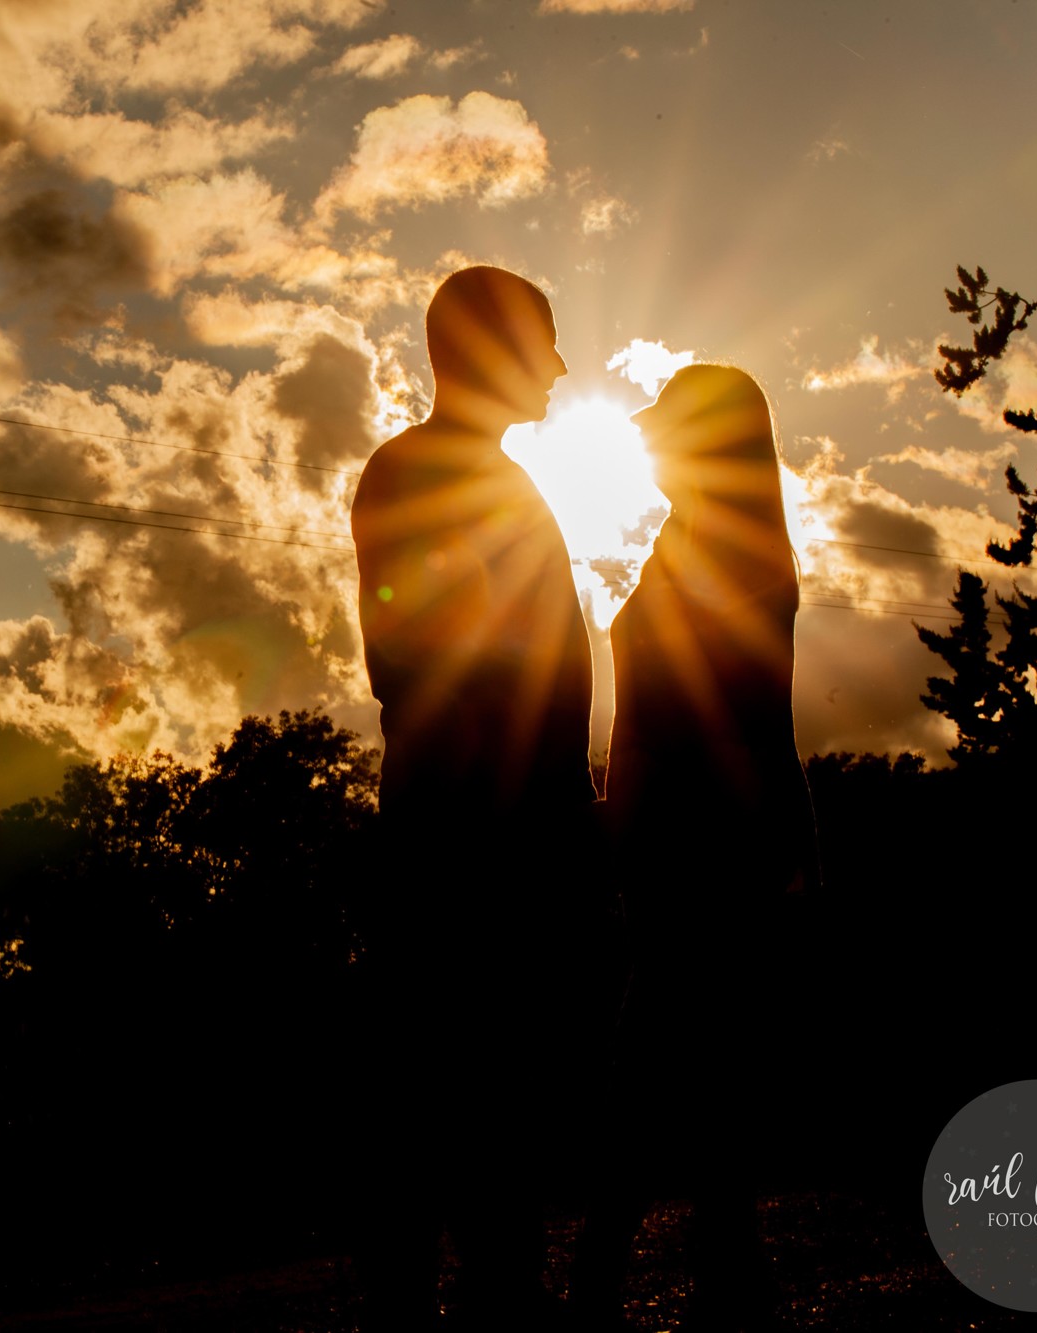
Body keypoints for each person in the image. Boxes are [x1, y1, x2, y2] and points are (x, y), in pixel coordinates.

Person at [347, 266, 599, 1330]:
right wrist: (528, 814)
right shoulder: (422, 474)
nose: (557, 365)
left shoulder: (464, 473)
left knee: (482, 1075)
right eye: (541, 341)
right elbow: (417, 660)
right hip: (473, 839)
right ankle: (454, 1293)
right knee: (457, 1073)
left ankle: (490, 1280)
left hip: (491, 828)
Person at [576, 363, 817, 1331]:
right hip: (696, 837)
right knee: (699, 1065)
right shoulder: (701, 539)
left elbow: (729, 718)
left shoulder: (727, 547)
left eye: (664, 427)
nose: (643, 440)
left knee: (658, 1064)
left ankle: (617, 1278)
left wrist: (639, 818)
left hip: (698, 844)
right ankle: (726, 1277)